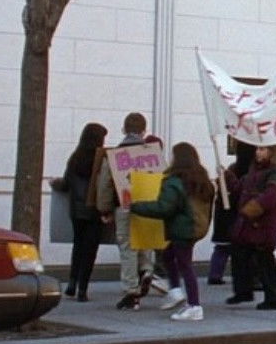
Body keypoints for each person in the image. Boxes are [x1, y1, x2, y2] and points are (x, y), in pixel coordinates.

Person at [130, 142, 215, 322]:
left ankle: (194, 306)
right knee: (168, 255)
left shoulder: (174, 182)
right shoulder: (202, 180)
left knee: (185, 265)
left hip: (182, 229)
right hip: (197, 227)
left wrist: (136, 207)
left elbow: (164, 208)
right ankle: (175, 291)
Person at [95, 112, 165, 311]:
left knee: (127, 247)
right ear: (144, 130)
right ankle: (146, 270)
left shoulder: (115, 154)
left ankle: (131, 291)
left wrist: (104, 209)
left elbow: (105, 184)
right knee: (145, 242)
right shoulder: (153, 154)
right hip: (148, 204)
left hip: (124, 204)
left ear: (124, 129)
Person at [223, 143, 276, 310]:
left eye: (262, 149)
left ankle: (273, 298)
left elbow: (273, 195)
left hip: (263, 223)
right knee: (240, 254)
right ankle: (243, 291)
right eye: (258, 149)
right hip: (248, 222)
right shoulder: (254, 170)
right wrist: (227, 177)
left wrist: (252, 209)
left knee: (264, 259)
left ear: (272, 152)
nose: (258, 152)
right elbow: (240, 188)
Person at [51, 122, 108, 301]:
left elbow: (66, 184)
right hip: (95, 210)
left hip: (76, 210)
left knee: (78, 246)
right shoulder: (101, 159)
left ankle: (72, 283)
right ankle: (83, 289)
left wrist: (55, 183)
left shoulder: (75, 157)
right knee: (90, 250)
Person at [208, 142, 254, 286]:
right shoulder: (250, 172)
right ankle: (240, 276)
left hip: (222, 214)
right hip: (237, 214)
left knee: (221, 248)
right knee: (238, 249)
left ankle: (215, 274)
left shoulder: (230, 170)